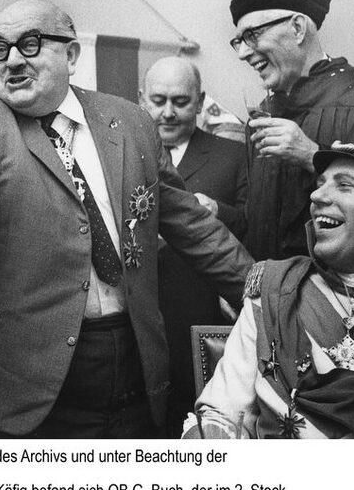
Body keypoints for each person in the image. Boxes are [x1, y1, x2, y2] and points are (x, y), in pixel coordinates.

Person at [0, 0, 253, 438]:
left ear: (70, 55)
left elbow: (192, 225)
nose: (13, 59)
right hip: (28, 378)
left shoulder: (129, 121)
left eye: (30, 44)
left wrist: (266, 299)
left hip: (132, 357)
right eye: (0, 48)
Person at [185, 141, 354, 439]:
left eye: (345, 186)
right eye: (319, 184)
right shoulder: (274, 287)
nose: (317, 195)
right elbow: (222, 412)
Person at [140, 56, 249, 436]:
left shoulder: (234, 155)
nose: (167, 113)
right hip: (140, 318)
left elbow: (256, 223)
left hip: (204, 316)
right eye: (158, 100)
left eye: (181, 102)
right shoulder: (122, 156)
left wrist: (220, 211)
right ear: (141, 99)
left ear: (200, 102)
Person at [230, 0, 354, 261]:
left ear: (297, 27)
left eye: (251, 35)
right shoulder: (263, 111)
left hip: (335, 297)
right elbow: (250, 216)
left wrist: (311, 155)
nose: (243, 53)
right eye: (238, 40)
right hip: (268, 291)